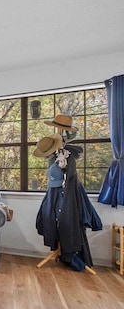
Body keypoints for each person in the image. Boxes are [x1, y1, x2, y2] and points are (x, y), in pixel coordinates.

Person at [34, 115, 102, 271]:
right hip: (54, 194)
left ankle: (70, 254)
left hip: (62, 195)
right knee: (50, 220)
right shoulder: (56, 156)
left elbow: (69, 178)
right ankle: (60, 250)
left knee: (65, 223)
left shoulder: (65, 156)